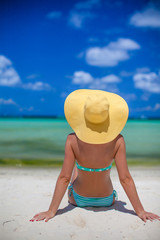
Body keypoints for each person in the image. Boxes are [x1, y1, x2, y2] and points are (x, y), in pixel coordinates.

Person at [30, 89, 160, 223]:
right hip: (107, 199)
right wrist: (140, 211)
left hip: (78, 198)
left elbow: (64, 177)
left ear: (84, 113)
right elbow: (125, 179)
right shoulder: (118, 140)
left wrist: (51, 211)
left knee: (76, 168)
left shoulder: (72, 140)